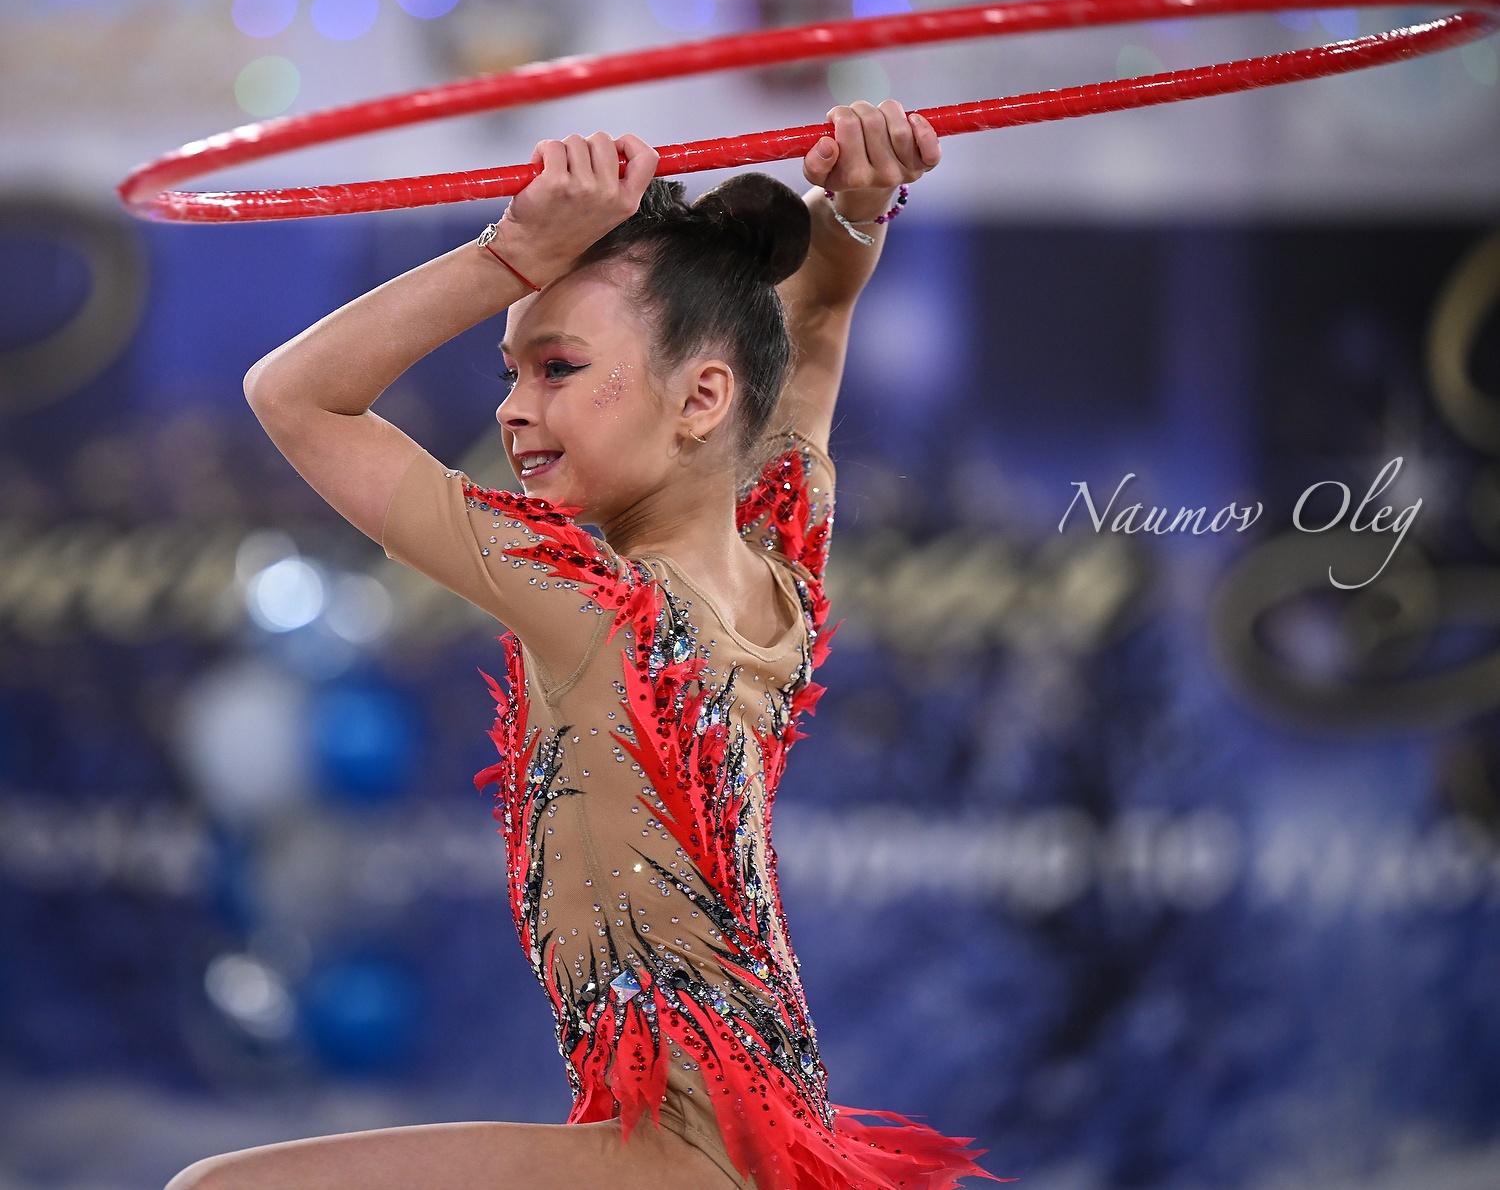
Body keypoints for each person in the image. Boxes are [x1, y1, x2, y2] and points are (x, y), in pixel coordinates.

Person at [183, 99, 1001, 1190]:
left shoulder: (594, 600)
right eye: (510, 371)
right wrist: (853, 207)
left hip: (691, 1147)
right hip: (752, 1137)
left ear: (702, 397)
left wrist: (511, 252)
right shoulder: (781, 557)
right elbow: (809, 335)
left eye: (557, 367)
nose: (516, 410)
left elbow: (296, 399)